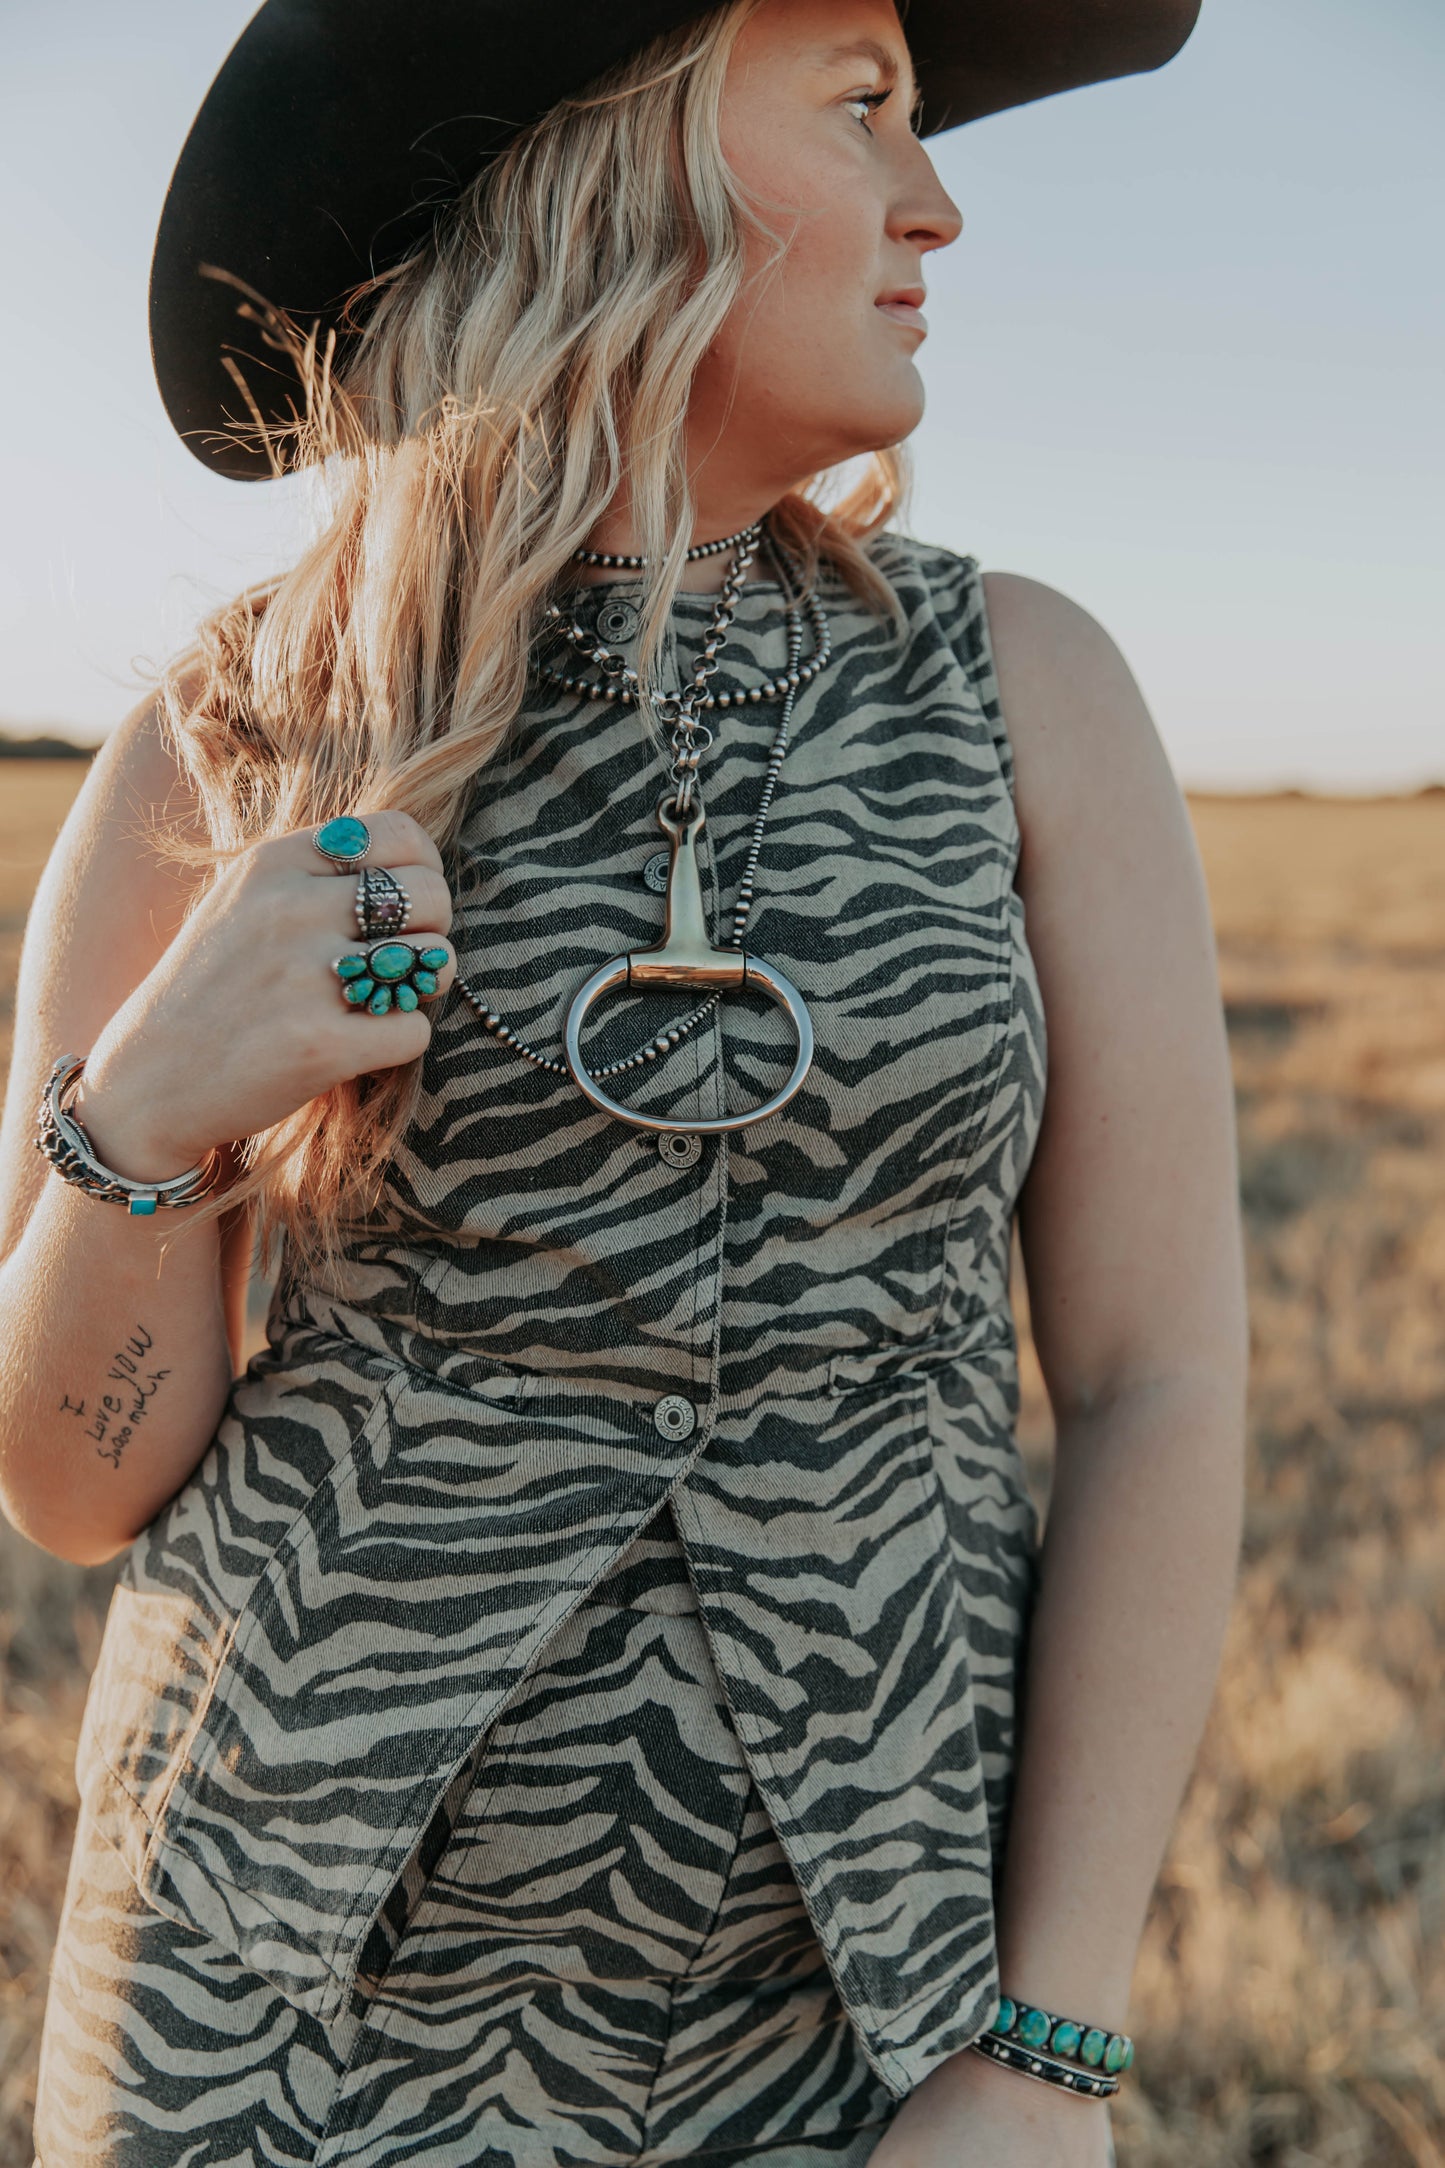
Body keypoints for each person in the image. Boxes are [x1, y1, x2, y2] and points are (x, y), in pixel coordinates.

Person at [1, 1, 1248, 2162]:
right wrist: (142, 1109)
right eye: (862, 108)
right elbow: (75, 1485)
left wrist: (1049, 2045)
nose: (934, 203)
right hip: (269, 2015)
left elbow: (1160, 1377)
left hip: (866, 2017)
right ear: (612, 160)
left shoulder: (1027, 692)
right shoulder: (218, 740)